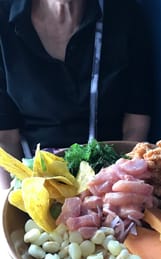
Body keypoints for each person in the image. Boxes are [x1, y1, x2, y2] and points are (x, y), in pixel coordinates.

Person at [0, 0, 153, 188]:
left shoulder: (125, 16)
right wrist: (12, 203)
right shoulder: (3, 20)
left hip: (110, 178)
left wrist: (119, 190)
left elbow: (135, 125)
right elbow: (5, 139)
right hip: (34, 181)